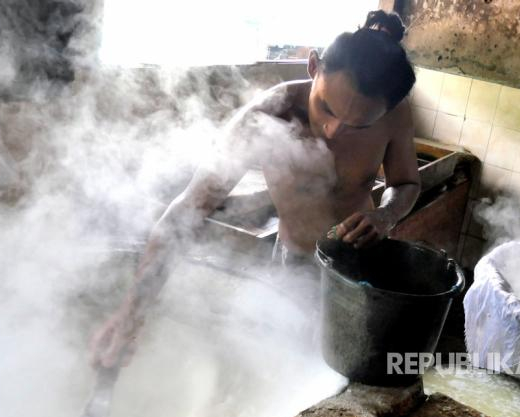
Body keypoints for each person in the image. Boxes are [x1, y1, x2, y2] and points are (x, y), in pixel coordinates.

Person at [91, 10, 421, 369]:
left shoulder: (395, 113)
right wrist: (131, 312)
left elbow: (405, 183)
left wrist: (386, 214)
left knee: (348, 372)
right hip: (292, 263)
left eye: (358, 125)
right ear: (313, 67)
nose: (332, 131)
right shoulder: (264, 117)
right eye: (326, 107)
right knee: (288, 369)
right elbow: (188, 209)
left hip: (357, 268)